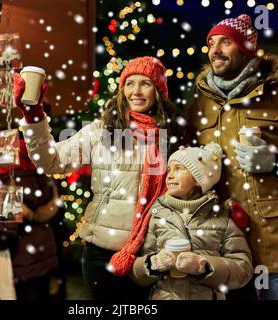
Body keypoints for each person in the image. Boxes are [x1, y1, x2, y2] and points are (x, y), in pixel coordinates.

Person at [186, 14, 278, 300]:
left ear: (245, 50)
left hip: (277, 244)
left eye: (225, 42)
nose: (214, 50)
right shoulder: (200, 107)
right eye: (211, 43)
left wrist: (276, 161)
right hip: (223, 247)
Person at [13, 56, 185, 300]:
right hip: (101, 253)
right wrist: (33, 115)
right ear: (121, 89)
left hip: (152, 253)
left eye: (145, 83)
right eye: (129, 83)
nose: (136, 91)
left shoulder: (171, 136)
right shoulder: (102, 129)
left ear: (158, 91)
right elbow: (51, 160)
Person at [131, 143, 253, 299]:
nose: (169, 176)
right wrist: (153, 263)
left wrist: (203, 266)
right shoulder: (157, 215)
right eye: (169, 169)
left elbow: (243, 270)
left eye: (179, 169)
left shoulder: (222, 219)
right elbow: (135, 273)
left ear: (198, 179)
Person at [0, 138, 60, 300]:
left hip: (23, 259)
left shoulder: (11, 181)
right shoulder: (43, 177)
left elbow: (6, 232)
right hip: (45, 251)